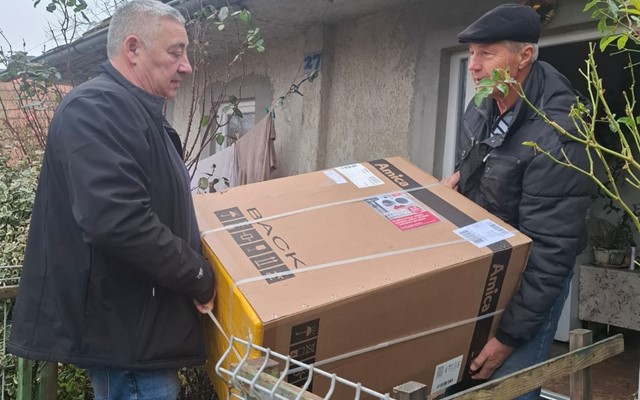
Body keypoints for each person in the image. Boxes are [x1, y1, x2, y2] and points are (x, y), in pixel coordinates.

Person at [8, 0, 216, 398]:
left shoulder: (138, 115)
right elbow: (117, 219)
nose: (187, 66)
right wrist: (197, 275)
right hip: (127, 339)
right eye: (176, 52)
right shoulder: (97, 108)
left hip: (141, 333)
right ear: (133, 48)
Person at [442, 4, 592, 399]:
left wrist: (508, 337)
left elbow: (550, 250)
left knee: (507, 387)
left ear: (524, 56)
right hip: (486, 263)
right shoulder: (484, 104)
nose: (474, 66)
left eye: (486, 53)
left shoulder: (558, 134)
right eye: (471, 53)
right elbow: (483, 166)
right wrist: (458, 182)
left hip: (529, 279)